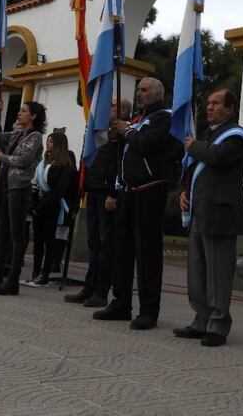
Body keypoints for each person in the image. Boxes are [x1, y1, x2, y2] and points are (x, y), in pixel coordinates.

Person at [94, 77, 182, 330]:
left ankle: (148, 310)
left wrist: (128, 131)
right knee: (122, 250)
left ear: (158, 93)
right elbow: (125, 156)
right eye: (139, 89)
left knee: (147, 253)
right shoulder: (138, 120)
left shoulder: (164, 117)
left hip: (150, 190)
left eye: (144, 90)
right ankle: (121, 303)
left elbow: (146, 144)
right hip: (128, 192)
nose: (139, 94)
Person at [174, 88, 243, 347]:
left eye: (216, 103)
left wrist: (194, 146)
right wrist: (186, 193)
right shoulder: (207, 135)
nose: (210, 107)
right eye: (208, 103)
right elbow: (195, 171)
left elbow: (217, 157)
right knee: (197, 270)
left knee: (218, 272)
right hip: (199, 211)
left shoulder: (235, 136)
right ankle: (200, 320)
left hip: (220, 213)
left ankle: (218, 325)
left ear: (230, 108)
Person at [64, 98, 131, 307]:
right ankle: (89, 287)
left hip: (107, 193)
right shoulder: (99, 129)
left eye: (113, 106)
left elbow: (121, 164)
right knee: (93, 243)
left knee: (105, 244)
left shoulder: (125, 133)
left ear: (123, 111)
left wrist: (114, 192)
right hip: (92, 189)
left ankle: (102, 291)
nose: (108, 108)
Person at [0, 101, 45, 295]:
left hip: (19, 187)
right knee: (2, 232)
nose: (19, 114)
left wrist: (3, 159)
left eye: (24, 111)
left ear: (33, 116)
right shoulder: (16, 135)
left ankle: (13, 278)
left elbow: (24, 161)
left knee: (16, 234)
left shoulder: (35, 136)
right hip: (4, 186)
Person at [30, 131, 78, 287]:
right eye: (48, 140)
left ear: (58, 144)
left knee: (48, 240)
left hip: (53, 207)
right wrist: (34, 205)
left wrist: (42, 206)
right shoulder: (45, 162)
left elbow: (58, 190)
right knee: (37, 241)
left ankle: (45, 274)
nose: (47, 143)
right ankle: (35, 273)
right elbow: (35, 184)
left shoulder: (65, 165)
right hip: (39, 205)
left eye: (51, 141)